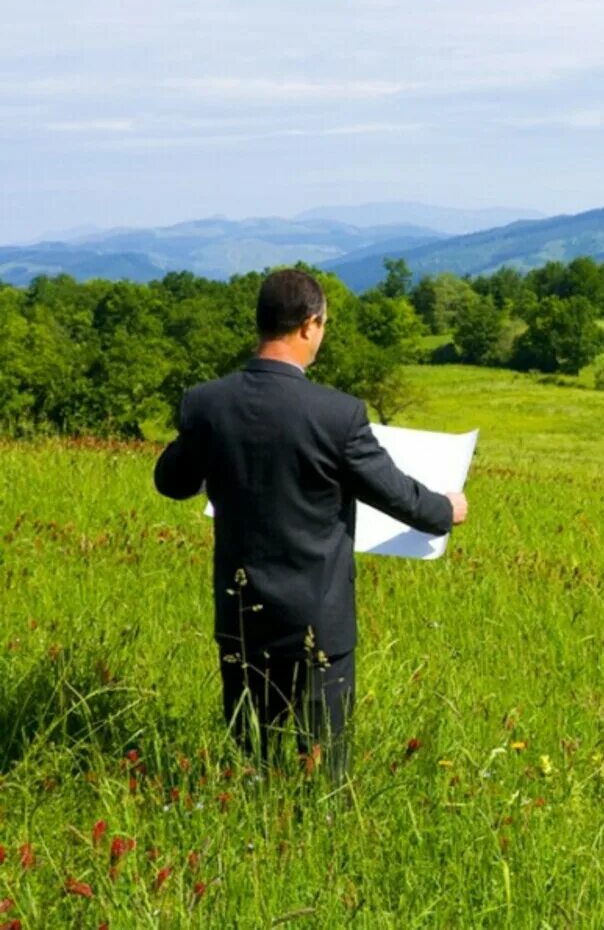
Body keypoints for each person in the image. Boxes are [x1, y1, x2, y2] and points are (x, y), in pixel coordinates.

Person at [154, 268, 467, 780]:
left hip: (241, 613)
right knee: (324, 766)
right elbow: (394, 492)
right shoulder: (338, 414)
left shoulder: (207, 403)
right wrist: (444, 509)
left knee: (249, 755)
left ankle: (249, 827)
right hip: (318, 618)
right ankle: (321, 839)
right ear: (309, 325)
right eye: (322, 326)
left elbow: (172, 481)